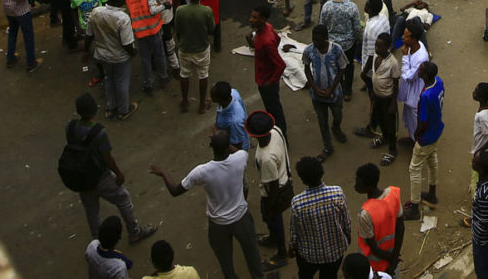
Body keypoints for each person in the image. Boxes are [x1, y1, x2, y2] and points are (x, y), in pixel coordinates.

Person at [150, 131, 266, 279]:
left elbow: (175, 191)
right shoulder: (241, 158)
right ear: (227, 147)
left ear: (212, 147)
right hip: (242, 218)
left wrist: (164, 173)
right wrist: (225, 143)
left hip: (218, 226)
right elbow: (238, 151)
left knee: (226, 263)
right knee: (252, 254)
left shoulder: (201, 172)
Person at [69, 93, 158, 243]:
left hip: (80, 176)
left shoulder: (70, 127)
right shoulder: (98, 132)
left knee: (91, 209)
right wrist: (118, 173)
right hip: (100, 176)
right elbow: (107, 157)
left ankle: (97, 240)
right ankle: (134, 231)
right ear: (94, 110)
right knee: (123, 199)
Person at [287, 156, 352, 278]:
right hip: (335, 252)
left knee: (305, 275)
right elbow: (346, 221)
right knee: (330, 275)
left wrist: (292, 247)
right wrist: (347, 235)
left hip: (309, 256)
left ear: (303, 180)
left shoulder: (298, 203)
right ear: (321, 172)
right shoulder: (337, 193)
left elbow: (295, 231)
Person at [246, 110, 291, 271]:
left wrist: (270, 207)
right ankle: (273, 238)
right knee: (273, 221)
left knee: (274, 219)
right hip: (283, 179)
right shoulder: (276, 130)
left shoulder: (266, 158)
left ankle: (281, 253)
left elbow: (272, 185)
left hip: (275, 192)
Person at [86, 0, 139, 120]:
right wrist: (133, 53)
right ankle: (123, 110)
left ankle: (110, 107)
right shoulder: (122, 18)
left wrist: (85, 51)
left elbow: (89, 34)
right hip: (120, 57)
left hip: (103, 55)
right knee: (122, 82)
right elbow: (127, 43)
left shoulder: (96, 12)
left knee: (109, 79)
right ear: (121, 2)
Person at [403, 61, 444, 221]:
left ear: (425, 75)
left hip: (426, 136)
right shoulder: (438, 82)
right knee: (432, 160)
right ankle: (432, 193)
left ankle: (414, 207)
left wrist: (417, 134)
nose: (418, 70)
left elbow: (422, 120)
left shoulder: (426, 95)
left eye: (420, 69)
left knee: (414, 169)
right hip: (436, 130)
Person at [303, 24, 349, 161]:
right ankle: (328, 146)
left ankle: (336, 127)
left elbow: (342, 69)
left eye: (318, 40)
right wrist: (315, 88)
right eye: (313, 39)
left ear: (326, 39)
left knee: (337, 114)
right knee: (322, 121)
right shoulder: (309, 50)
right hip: (317, 95)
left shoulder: (336, 50)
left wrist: (332, 88)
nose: (315, 43)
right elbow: (306, 68)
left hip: (334, 94)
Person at [123, 0, 168, 95]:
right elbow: (153, 10)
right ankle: (163, 77)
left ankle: (148, 83)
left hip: (139, 32)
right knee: (159, 55)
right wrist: (165, 5)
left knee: (145, 59)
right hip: (153, 29)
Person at [354, 164, 403, 277]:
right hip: (392, 256)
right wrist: (395, 259)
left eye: (358, 182)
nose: (355, 185)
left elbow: (373, 248)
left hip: (376, 265)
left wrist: (392, 261)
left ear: (369, 187)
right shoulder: (393, 194)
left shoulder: (365, 214)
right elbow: (401, 228)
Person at [360, 30, 400, 163]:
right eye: (376, 45)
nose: (377, 48)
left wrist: (394, 103)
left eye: (380, 46)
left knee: (390, 124)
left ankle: (392, 150)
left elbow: (395, 83)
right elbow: (372, 75)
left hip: (388, 99)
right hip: (377, 96)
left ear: (387, 47)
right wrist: (372, 91)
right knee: (380, 120)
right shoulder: (375, 57)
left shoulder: (393, 63)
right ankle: (384, 137)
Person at [175, 0, 216, 113]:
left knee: (184, 74)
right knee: (203, 75)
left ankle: (185, 101)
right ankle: (202, 104)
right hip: (202, 48)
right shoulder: (206, 11)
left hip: (185, 48)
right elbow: (212, 29)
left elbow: (177, 29)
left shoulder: (180, 10)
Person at [320, 0, 361, 101]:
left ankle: (336, 88)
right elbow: (357, 28)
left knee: (334, 67)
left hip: (332, 44)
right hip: (348, 45)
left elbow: (322, 25)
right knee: (348, 67)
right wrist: (358, 41)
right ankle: (347, 92)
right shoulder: (351, 7)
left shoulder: (326, 6)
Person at [398, 25, 428, 142]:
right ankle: (411, 137)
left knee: (415, 118)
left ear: (414, 39)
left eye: (406, 36)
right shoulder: (411, 46)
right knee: (409, 117)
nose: (402, 38)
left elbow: (409, 77)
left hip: (415, 91)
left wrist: (405, 57)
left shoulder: (421, 57)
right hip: (409, 90)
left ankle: (416, 143)